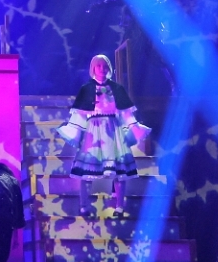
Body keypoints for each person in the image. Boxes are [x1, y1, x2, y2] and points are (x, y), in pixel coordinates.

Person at [57, 55, 151, 210]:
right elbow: (80, 114)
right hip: (93, 131)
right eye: (98, 65)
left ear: (109, 68)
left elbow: (126, 113)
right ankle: (84, 206)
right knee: (86, 170)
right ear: (93, 68)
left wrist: (134, 128)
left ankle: (119, 206)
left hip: (113, 131)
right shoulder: (86, 89)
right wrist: (75, 132)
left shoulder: (117, 89)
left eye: (105, 65)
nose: (102, 69)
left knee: (119, 170)